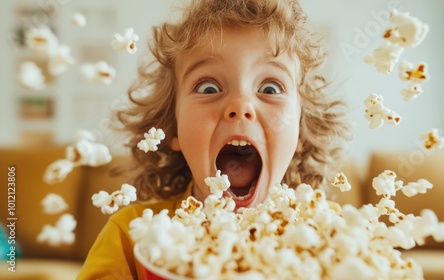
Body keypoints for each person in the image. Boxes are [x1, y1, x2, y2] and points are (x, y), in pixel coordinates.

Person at [77, 0, 351, 278]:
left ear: (301, 129)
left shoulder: (334, 233)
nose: (241, 105)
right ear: (172, 129)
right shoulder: (132, 236)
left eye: (270, 87)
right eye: (208, 87)